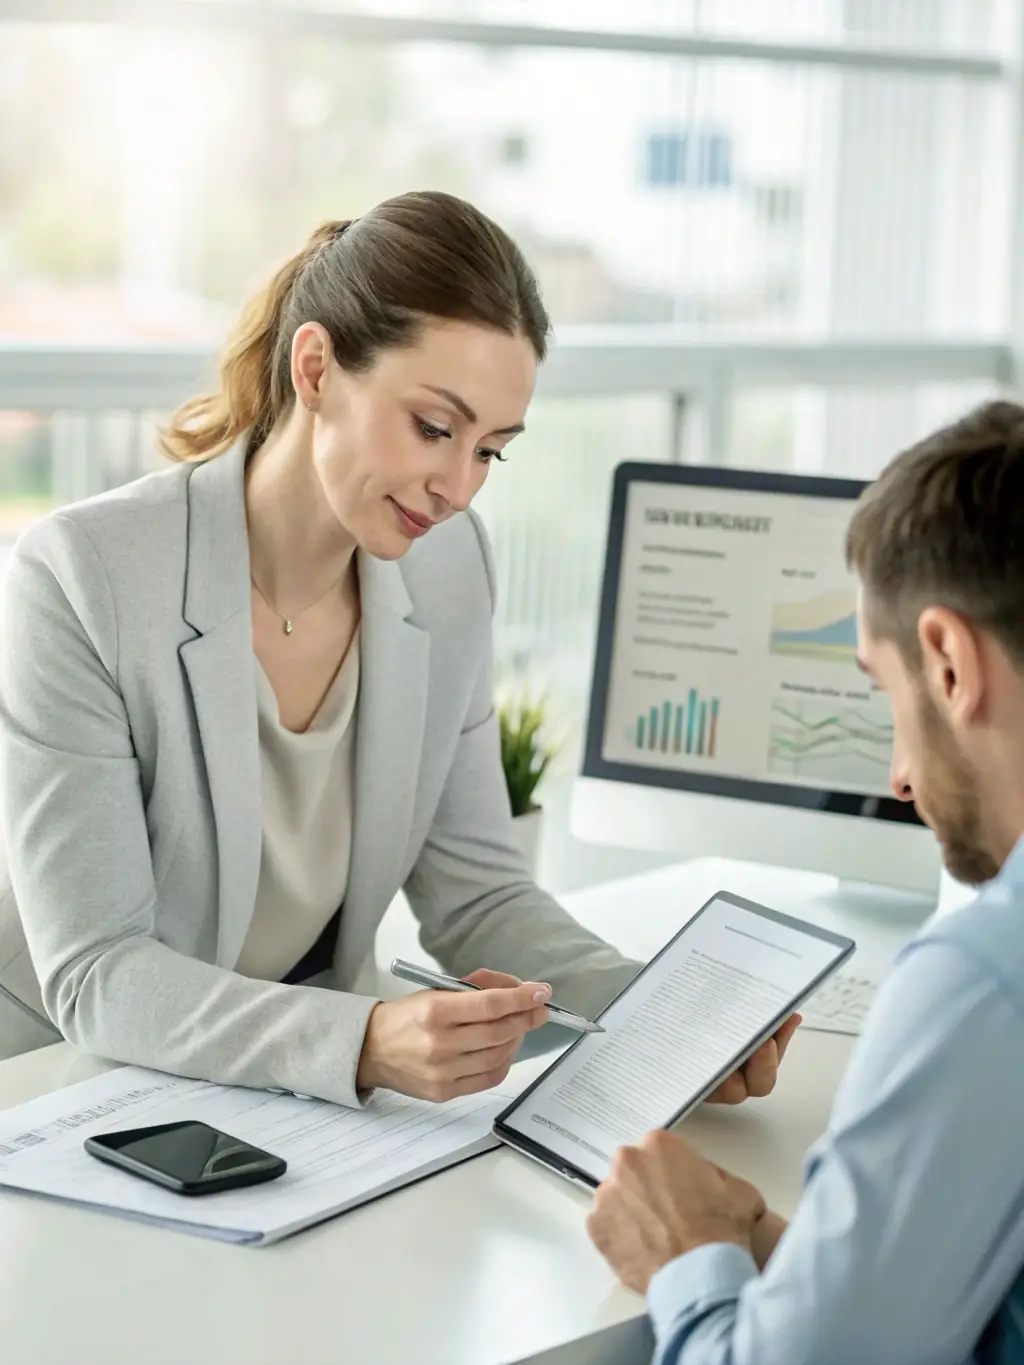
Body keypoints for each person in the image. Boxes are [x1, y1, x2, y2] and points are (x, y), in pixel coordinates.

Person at [0, 191, 794, 1110]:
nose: (458, 487)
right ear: (316, 369)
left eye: (492, 450)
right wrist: (365, 1040)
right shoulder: (84, 576)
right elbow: (98, 970)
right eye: (434, 428)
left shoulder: (448, 570)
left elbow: (479, 895)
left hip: (280, 1098)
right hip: (56, 1084)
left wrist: (660, 1018)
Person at [586, 398, 1024, 1364]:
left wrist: (687, 1256)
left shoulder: (982, 980)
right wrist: (788, 1250)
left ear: (948, 661)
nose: (899, 776)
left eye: (884, 687)